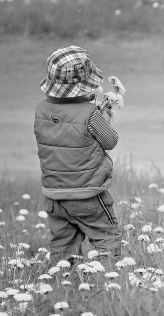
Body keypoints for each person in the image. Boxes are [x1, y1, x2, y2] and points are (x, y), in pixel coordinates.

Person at [34, 45, 121, 265]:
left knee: (62, 246)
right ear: (84, 87)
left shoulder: (41, 110)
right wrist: (104, 117)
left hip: (55, 195)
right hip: (86, 194)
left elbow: (65, 132)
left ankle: (61, 283)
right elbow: (110, 141)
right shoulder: (90, 115)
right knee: (106, 238)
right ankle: (108, 280)